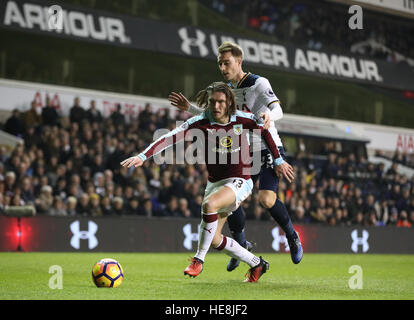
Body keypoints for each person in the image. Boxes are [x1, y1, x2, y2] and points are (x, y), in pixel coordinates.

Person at [121, 82, 294, 282]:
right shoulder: (200, 122)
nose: (216, 105)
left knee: (209, 204)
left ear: (229, 102)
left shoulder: (243, 119)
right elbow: (169, 138)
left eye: (221, 101)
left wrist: (278, 160)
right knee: (213, 238)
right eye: (212, 101)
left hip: (241, 179)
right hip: (215, 183)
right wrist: (143, 156)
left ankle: (198, 260)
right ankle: (257, 263)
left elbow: (265, 131)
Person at [168, 41, 303, 271]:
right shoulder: (225, 90)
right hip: (241, 151)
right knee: (231, 199)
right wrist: (189, 108)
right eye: (220, 63)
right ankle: (241, 246)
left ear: (239, 62)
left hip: (267, 145)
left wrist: (269, 116)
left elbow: (278, 108)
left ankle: (292, 236)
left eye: (226, 62)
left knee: (266, 199)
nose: (222, 67)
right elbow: (216, 115)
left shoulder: (258, 83)